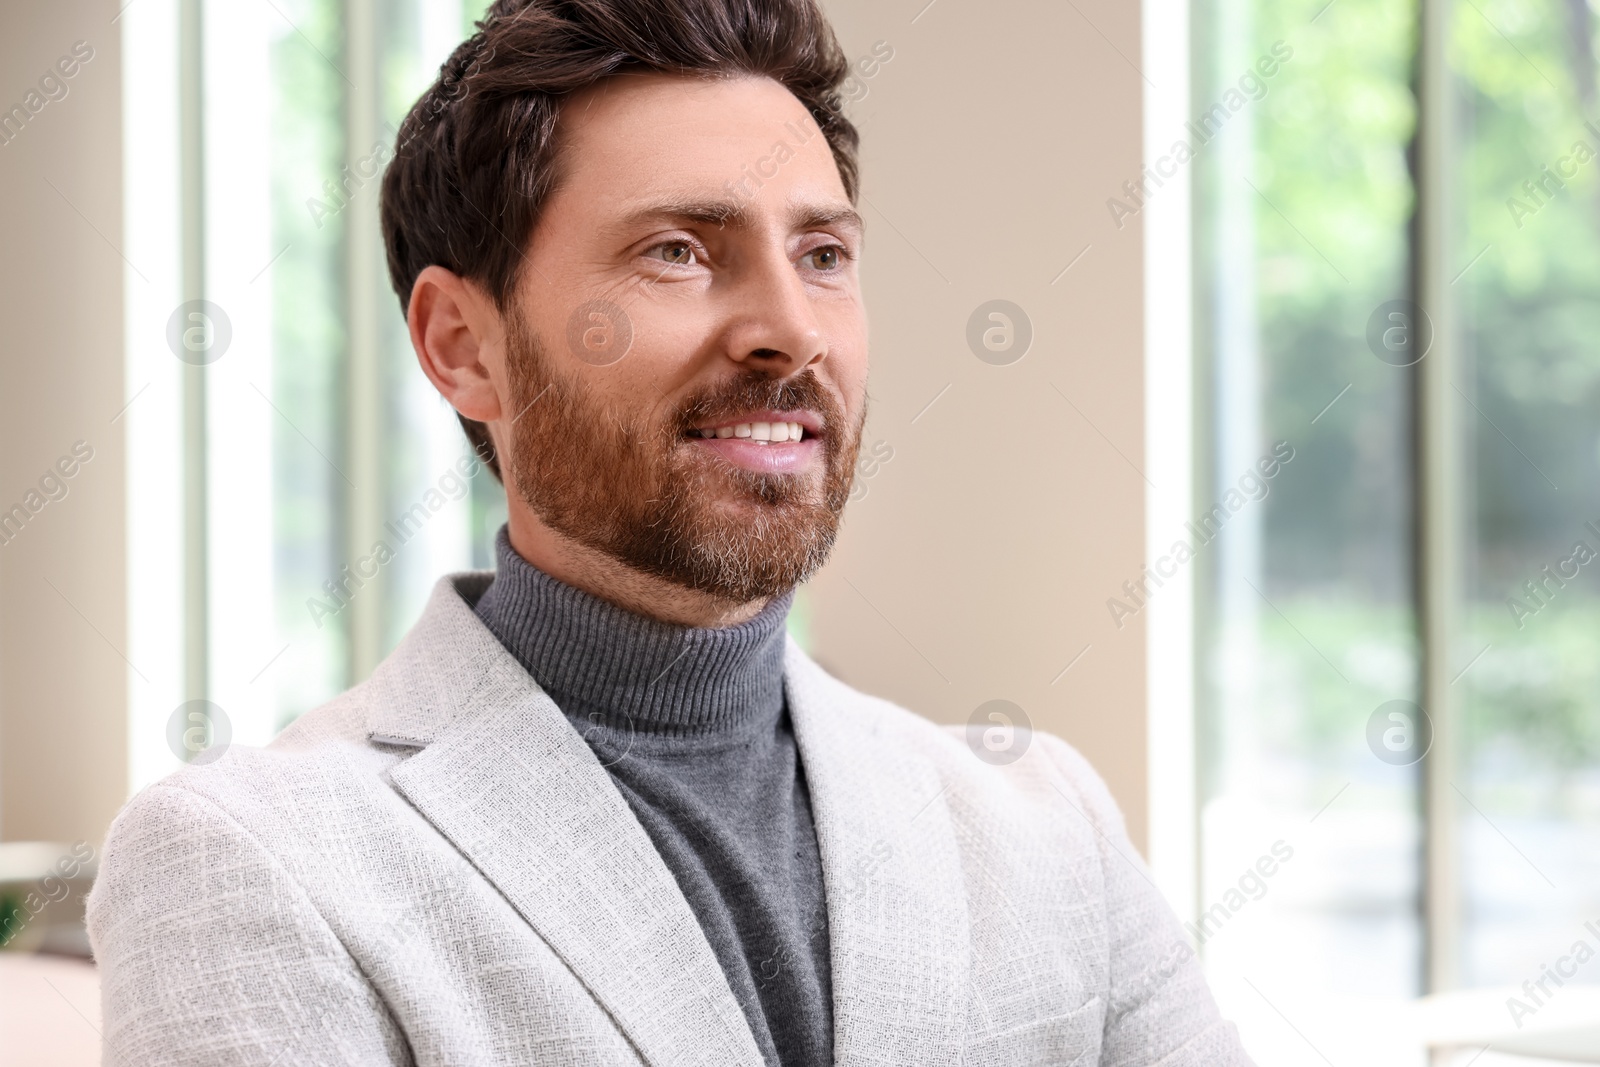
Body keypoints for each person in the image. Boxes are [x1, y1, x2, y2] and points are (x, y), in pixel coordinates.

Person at [87, 0, 1252, 1063]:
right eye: (678, 251)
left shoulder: (1043, 819)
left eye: (823, 256)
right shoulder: (250, 861)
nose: (789, 331)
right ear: (461, 344)